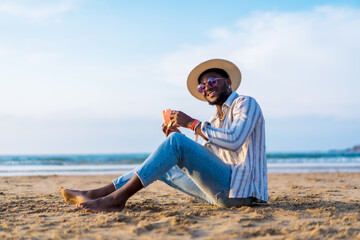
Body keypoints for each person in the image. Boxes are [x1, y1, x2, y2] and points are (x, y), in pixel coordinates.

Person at [59, 59, 268, 213]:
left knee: (176, 143)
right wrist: (179, 141)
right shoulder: (214, 120)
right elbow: (212, 159)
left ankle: (117, 198)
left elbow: (235, 140)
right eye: (202, 86)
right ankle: (99, 193)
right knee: (163, 162)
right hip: (219, 194)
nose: (207, 89)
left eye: (212, 82)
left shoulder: (245, 103)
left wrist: (191, 124)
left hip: (242, 192)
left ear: (228, 82)